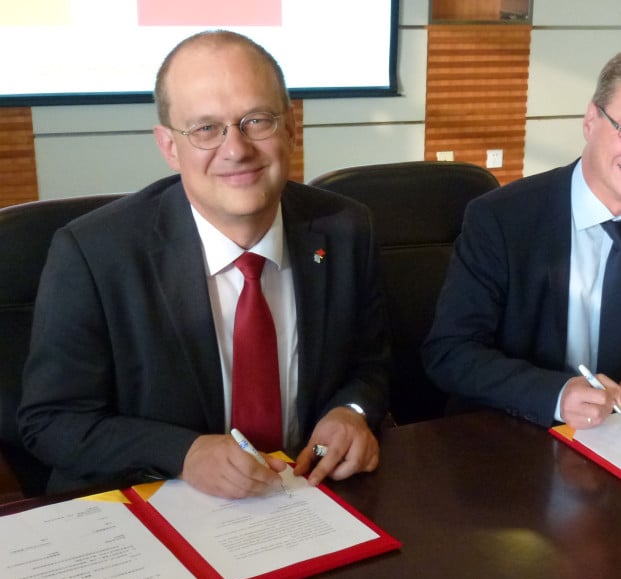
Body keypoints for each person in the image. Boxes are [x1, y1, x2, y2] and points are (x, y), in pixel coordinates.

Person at [18, 30, 390, 497]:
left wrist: (351, 412)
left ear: (291, 127)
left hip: (307, 502)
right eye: (206, 129)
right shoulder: (94, 254)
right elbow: (51, 421)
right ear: (170, 147)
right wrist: (184, 453)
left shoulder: (347, 230)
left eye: (256, 120)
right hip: (153, 509)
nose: (236, 149)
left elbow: (370, 366)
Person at [422, 49, 621, 430]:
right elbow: (450, 352)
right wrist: (555, 395)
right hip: (516, 435)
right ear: (590, 121)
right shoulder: (501, 218)